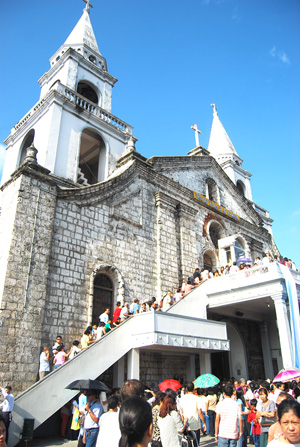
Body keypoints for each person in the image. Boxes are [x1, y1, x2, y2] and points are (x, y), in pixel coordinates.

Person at [179, 381, 206, 446]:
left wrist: (183, 422)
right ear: (193, 389)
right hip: (195, 423)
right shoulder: (197, 398)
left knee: (187, 443)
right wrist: (204, 423)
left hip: (186, 423)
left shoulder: (182, 398)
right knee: (196, 443)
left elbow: (181, 412)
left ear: (186, 389)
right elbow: (200, 412)